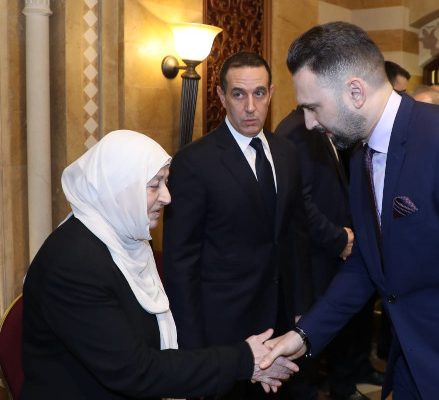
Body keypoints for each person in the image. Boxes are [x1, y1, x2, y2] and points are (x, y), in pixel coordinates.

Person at [259, 21, 439, 400]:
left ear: (355, 92)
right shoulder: (361, 153)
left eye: (313, 107)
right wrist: (304, 334)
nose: (309, 122)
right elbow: (367, 262)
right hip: (413, 364)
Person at [21, 130, 297, 400]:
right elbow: (134, 371)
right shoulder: (74, 265)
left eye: (166, 182)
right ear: (119, 188)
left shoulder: (127, 240)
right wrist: (241, 360)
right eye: (155, 185)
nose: (167, 196)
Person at [163, 52, 312, 400]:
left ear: (271, 93)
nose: (250, 107)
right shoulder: (194, 162)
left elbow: (296, 237)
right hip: (225, 330)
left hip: (282, 321)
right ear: (221, 96)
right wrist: (194, 350)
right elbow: (181, 263)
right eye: (238, 94)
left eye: (259, 93)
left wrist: (303, 309)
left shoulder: (287, 153)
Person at [275, 109, 382, 400]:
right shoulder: (297, 130)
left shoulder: (321, 125)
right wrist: (338, 239)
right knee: (306, 346)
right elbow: (300, 202)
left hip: (331, 256)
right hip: (312, 260)